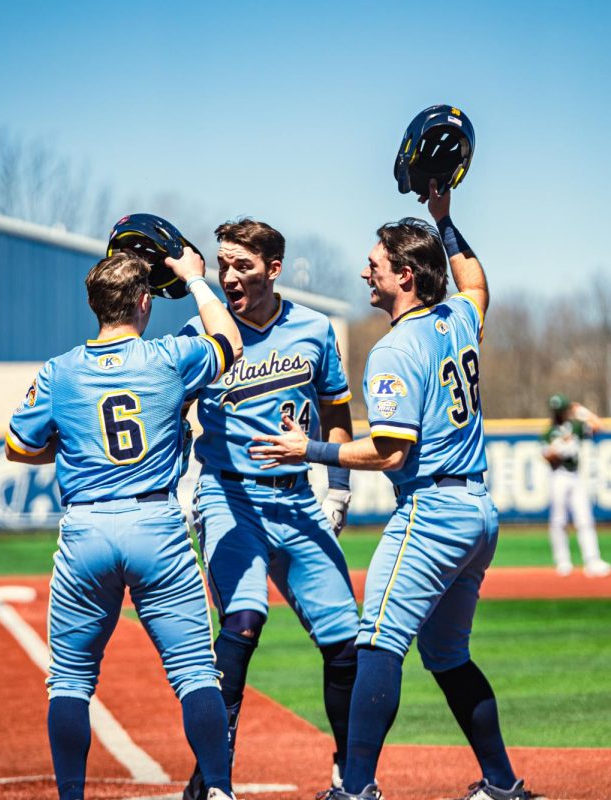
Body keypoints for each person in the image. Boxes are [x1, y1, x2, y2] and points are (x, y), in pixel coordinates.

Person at [251, 182, 537, 800]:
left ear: (404, 275)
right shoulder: (458, 318)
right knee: (448, 654)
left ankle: (355, 789)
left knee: (376, 642)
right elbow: (478, 286)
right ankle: (502, 783)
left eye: (375, 264)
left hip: (431, 511)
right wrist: (447, 219)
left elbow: (390, 451)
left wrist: (311, 450)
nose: (364, 272)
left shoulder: (394, 349)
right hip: (478, 514)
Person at [5, 248, 244, 800]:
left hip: (87, 525)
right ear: (143, 302)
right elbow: (228, 340)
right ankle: (221, 791)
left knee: (69, 681)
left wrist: (68, 453)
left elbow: (19, 445)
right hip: (155, 522)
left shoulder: (59, 370)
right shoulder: (169, 357)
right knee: (195, 675)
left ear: (94, 304)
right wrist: (196, 281)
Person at [179, 218, 360, 798]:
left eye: (244, 266)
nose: (229, 276)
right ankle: (214, 782)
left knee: (347, 642)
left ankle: (350, 774)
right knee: (244, 620)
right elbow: (166, 412)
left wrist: (338, 488)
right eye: (223, 264)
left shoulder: (314, 329)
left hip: (297, 499)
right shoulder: (201, 332)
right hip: (228, 495)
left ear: (273, 268)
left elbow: (335, 410)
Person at [541, 394, 611, 578]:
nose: (558, 414)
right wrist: (558, 447)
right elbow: (546, 456)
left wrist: (581, 411)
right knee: (558, 520)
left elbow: (598, 425)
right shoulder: (549, 432)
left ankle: (592, 561)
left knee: (584, 519)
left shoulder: (576, 426)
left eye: (561, 410)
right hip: (558, 475)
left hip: (575, 476)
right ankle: (562, 561)